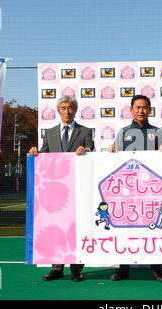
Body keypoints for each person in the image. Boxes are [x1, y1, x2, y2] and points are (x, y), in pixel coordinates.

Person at [29, 95, 95, 282]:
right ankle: (57, 268)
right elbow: (44, 155)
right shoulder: (49, 132)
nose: (67, 111)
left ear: (75, 110)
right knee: (56, 226)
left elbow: (92, 151)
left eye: (70, 108)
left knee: (76, 227)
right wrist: (36, 153)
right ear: (59, 111)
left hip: (78, 187)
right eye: (63, 108)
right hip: (55, 190)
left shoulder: (85, 131)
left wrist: (86, 151)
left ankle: (76, 269)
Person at [108, 95, 162, 282]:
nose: (141, 110)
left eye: (145, 107)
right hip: (129, 190)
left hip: (151, 190)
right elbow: (114, 160)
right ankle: (123, 268)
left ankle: (156, 268)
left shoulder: (157, 132)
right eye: (138, 107)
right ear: (131, 109)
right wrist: (111, 151)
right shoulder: (123, 132)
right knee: (126, 228)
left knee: (154, 228)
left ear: (150, 110)